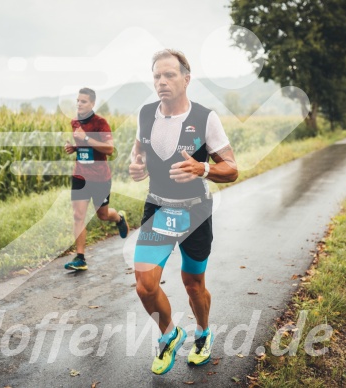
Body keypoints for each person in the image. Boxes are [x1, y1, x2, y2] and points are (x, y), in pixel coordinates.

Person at [129, 49, 238, 375]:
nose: (162, 81)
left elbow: (231, 169)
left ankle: (203, 333)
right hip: (158, 207)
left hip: (194, 213)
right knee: (145, 285)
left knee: (193, 284)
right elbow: (138, 154)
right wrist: (136, 167)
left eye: (169, 75)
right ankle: (169, 334)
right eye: (157, 76)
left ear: (186, 79)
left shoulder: (206, 118)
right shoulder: (145, 113)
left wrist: (202, 168)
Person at [63, 87, 129, 271]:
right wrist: (74, 148)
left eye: (83, 101)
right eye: (77, 100)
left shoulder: (101, 123)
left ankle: (118, 218)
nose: (79, 104)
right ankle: (80, 258)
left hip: (100, 178)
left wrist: (86, 137)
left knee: (103, 215)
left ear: (92, 103)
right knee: (78, 215)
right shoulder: (75, 122)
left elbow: (109, 149)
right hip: (80, 176)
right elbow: (84, 145)